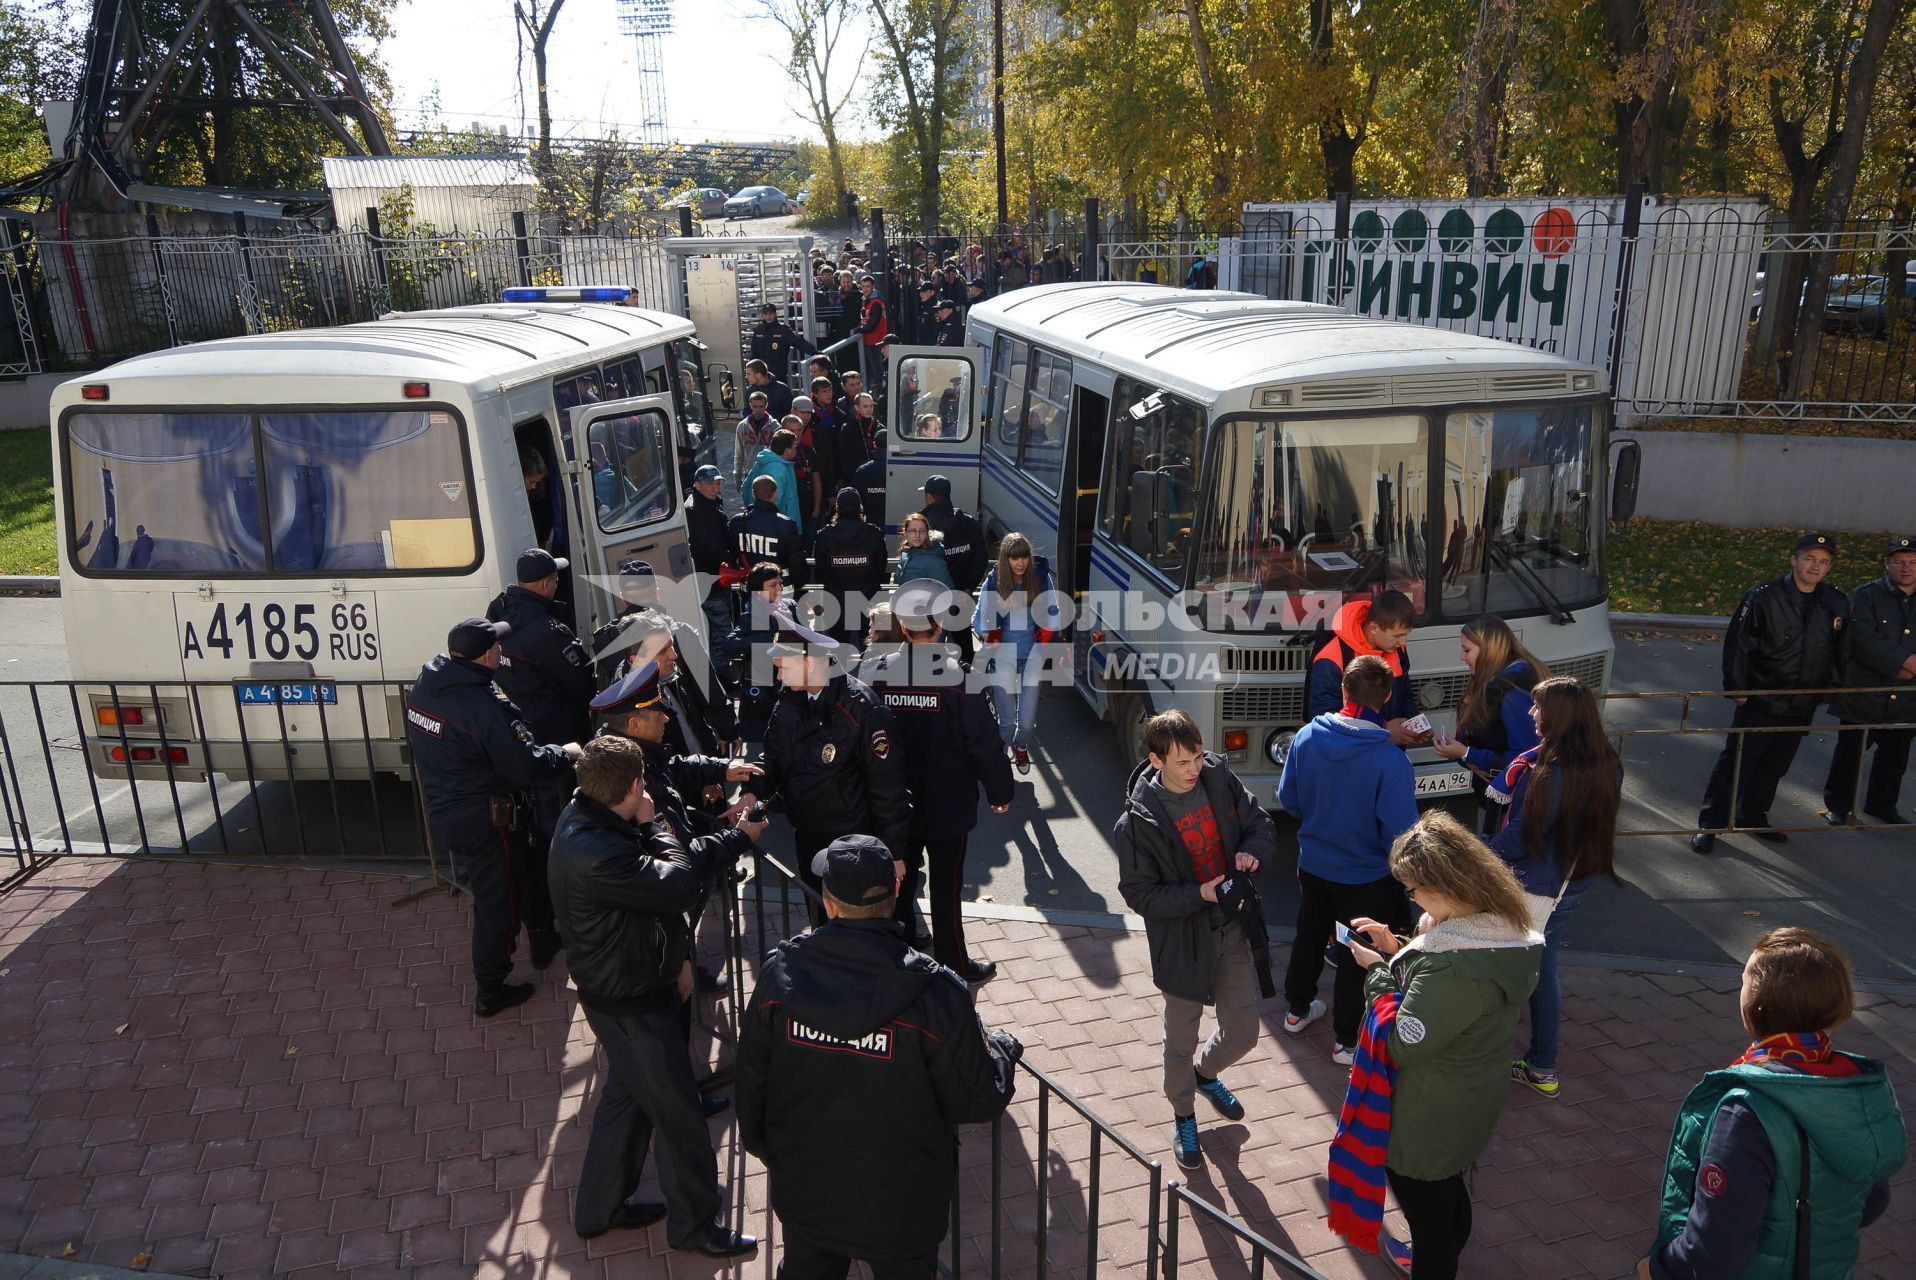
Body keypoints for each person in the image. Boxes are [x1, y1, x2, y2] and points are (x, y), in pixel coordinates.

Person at [737, 835, 1023, 1279]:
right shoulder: (937, 992)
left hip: (807, 1189)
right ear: (894, 899)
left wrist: (774, 1154)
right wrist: (1002, 1050)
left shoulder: (781, 976)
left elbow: (751, 1080)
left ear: (830, 905)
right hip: (902, 1205)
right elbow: (979, 1098)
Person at [546, 736, 762, 1258]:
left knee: (626, 1100)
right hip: (634, 1002)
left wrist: (680, 959)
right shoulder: (599, 851)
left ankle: (599, 1209)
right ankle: (693, 1226)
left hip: (620, 991)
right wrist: (660, 822)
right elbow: (678, 885)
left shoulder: (589, 820)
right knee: (680, 1117)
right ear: (635, 786)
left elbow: (657, 890)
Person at [1637, 927, 1905, 1280]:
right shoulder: (1860, 1087)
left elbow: (1717, 1250)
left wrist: (1657, 1269)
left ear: (1759, 1003)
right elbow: (1872, 1201)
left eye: (1744, 980)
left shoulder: (1746, 1111)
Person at [1344, 812, 1543, 1278]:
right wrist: (1399, 952)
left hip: (1428, 1116)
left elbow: (1404, 1044)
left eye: (1413, 889)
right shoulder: (1499, 934)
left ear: (1446, 887)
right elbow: (1442, 1007)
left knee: (1428, 1216)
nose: (1410, 898)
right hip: (1469, 1099)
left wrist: (1375, 973)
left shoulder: (1450, 965)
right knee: (1447, 1194)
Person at [1115, 709, 1276, 1173]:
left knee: (1244, 1032)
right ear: (1155, 759)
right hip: (1182, 944)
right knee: (1178, 1041)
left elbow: (1261, 825)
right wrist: (1197, 894)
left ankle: (1207, 1075)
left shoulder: (1218, 780)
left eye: (1197, 757)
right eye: (1182, 762)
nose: (1192, 769)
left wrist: (1251, 852)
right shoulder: (1136, 823)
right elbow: (1139, 894)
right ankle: (1183, 1116)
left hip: (1231, 929)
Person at [405, 618, 581, 1016]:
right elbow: (525, 763)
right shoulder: (484, 706)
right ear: (487, 655)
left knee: (526, 872)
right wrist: (567, 753)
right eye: (499, 646)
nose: (504, 650)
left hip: (451, 808)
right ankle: (491, 988)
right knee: (497, 904)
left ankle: (542, 941)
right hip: (486, 820)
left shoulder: (429, 684)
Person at [867, 579, 1015, 981]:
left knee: (896, 884)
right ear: (939, 627)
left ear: (899, 622)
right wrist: (1000, 791)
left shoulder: (874, 672)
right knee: (946, 889)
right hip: (948, 805)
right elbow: (985, 745)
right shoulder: (961, 678)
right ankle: (953, 965)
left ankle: (895, 960)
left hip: (892, 804)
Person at [1277, 654, 1419, 1066]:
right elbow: (1399, 831)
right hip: (1365, 876)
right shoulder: (1390, 760)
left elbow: (1290, 799)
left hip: (1314, 863)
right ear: (1387, 697)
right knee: (1355, 951)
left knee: (1309, 931)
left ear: (1343, 690)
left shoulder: (1306, 737)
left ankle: (1296, 1010)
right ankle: (1345, 1040)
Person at [1489, 677, 1623, 1100]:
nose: (1532, 715)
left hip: (1535, 886)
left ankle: (1534, 1063)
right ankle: (1540, 1065)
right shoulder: (1607, 760)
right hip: (1573, 883)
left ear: (1559, 717)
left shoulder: (1547, 771)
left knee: (1519, 972)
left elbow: (1522, 836)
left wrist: (1475, 853)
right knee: (1543, 969)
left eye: (1538, 708)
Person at [734, 617, 912, 926]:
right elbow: (774, 755)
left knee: (859, 928)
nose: (777, 673)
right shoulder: (790, 697)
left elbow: (888, 788)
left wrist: (894, 853)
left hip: (853, 842)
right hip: (808, 834)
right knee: (820, 916)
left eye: (782, 665)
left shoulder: (863, 708)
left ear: (809, 661)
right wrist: (751, 792)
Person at [1692, 533, 1848, 853]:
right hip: (1762, 697)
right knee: (1737, 762)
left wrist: (1828, 690)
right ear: (1793, 560)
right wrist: (1738, 687)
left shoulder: (1835, 601)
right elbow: (1740, 644)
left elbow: (1840, 651)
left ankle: (1752, 815)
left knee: (1776, 764)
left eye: (1823, 562)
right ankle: (1711, 824)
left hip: (1802, 700)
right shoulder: (1764, 596)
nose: (1815, 567)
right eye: (1809, 558)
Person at [487, 547, 596, 928]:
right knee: (558, 815)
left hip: (519, 730)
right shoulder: (548, 632)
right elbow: (584, 683)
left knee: (532, 814)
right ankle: (560, 898)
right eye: (556, 579)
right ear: (548, 584)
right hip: (556, 735)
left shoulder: (498, 611)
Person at [1823, 535, 1916, 826]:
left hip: (1907, 696)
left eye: (1913, 562)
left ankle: (1882, 804)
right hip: (1865, 692)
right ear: (1886, 564)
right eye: (1899, 562)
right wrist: (1904, 662)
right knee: (1850, 753)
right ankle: (1838, 805)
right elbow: (1862, 639)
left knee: (1894, 756)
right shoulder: (1865, 595)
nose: (1906, 568)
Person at [1429, 616, 1550, 833]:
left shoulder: (1511, 690)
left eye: (1467, 651)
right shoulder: (1494, 680)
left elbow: (1526, 758)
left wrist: (1467, 754)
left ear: (1488, 650)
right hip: (1495, 802)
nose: (1462, 657)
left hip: (1509, 811)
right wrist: (1464, 755)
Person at [972, 532, 1062, 777]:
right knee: (1007, 722)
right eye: (1014, 558)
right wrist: (987, 634)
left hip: (1032, 656)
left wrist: (1046, 637)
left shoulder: (1041, 578)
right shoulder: (994, 581)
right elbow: (978, 618)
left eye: (1024, 557)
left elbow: (1054, 613)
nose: (1020, 563)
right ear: (1005, 559)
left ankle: (1020, 746)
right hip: (1003, 657)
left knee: (1026, 726)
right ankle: (999, 765)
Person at [1306, 592, 1423, 746]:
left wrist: (1416, 724)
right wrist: (1384, 731)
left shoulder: (1396, 648)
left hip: (1388, 750)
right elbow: (1324, 724)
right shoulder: (1331, 660)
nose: (1403, 642)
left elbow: (1405, 694)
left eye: (1406, 635)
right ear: (1373, 628)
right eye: (1397, 636)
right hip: (1351, 759)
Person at [920, 476, 986, 662]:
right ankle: (968, 687)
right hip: (961, 598)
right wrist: (967, 588)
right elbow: (980, 558)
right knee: (965, 649)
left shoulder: (922, 526)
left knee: (929, 652)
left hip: (931, 602)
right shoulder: (968, 523)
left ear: (930, 497)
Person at [812, 487, 889, 646]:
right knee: (870, 649)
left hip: (836, 601)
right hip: (867, 599)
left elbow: (820, 572)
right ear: (859, 507)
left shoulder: (824, 535)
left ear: (838, 508)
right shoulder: (874, 534)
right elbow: (881, 566)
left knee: (839, 650)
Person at [728, 474, 806, 586]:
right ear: (775, 494)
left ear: (753, 494)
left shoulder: (737, 521)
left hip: (750, 587)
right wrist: (799, 583)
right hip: (781, 589)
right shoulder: (787, 525)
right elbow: (796, 563)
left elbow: (731, 555)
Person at [686, 464, 733, 643]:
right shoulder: (694, 511)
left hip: (720, 578)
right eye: (711, 484)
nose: (716, 488)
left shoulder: (713, 505)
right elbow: (706, 546)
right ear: (697, 485)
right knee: (721, 634)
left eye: (718, 484)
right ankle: (721, 669)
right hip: (709, 581)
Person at [747, 305, 813, 380]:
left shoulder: (783, 330)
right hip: (761, 374)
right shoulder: (758, 330)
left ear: (775, 314)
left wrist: (815, 352)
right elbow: (754, 352)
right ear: (763, 315)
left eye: (771, 313)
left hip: (778, 374)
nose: (768, 317)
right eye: (766, 314)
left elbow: (799, 342)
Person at [895, 511, 953, 588]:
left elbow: (947, 591)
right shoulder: (905, 553)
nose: (917, 535)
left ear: (927, 533)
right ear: (905, 532)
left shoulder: (934, 560)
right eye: (912, 531)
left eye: (922, 531)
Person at [853, 429, 888, 532]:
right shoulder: (899, 470)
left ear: (874, 444)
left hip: (870, 525)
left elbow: (856, 499)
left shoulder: (862, 471)